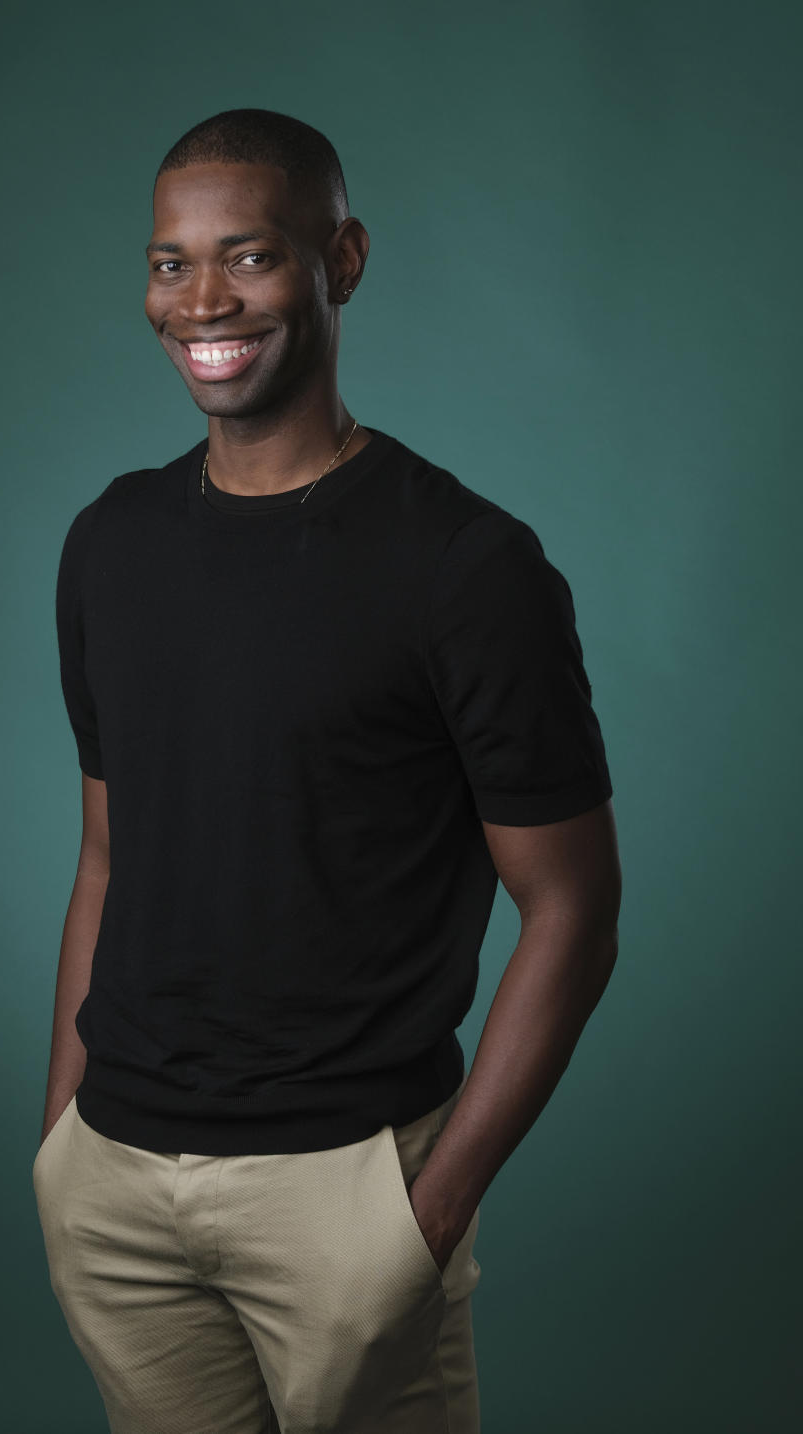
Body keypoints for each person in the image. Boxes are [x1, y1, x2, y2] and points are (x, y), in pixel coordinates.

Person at [32, 107, 622, 1434]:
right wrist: (62, 1139)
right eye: (170, 263)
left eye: (247, 255)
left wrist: (429, 1212)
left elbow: (576, 910)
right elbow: (109, 856)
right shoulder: (108, 543)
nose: (202, 301)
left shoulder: (468, 567)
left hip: (351, 1188)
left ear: (340, 260)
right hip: (116, 1183)